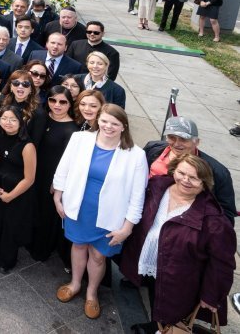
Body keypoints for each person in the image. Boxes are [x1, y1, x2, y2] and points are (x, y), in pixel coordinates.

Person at [120, 154, 236, 333]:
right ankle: (155, 326)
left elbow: (222, 263)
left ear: (204, 183)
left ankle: (159, 328)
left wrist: (212, 296)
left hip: (178, 278)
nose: (185, 180)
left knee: (169, 311)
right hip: (149, 260)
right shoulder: (158, 186)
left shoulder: (214, 221)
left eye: (194, 178)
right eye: (182, 173)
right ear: (174, 170)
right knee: (153, 296)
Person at [53, 104, 148, 320]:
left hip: (110, 216)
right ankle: (75, 284)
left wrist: (127, 227)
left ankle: (91, 293)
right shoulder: (80, 139)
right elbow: (63, 168)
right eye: (104, 121)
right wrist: (58, 196)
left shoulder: (136, 155)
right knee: (78, 246)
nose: (108, 126)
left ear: (124, 127)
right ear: (98, 120)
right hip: (79, 208)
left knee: (97, 255)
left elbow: (137, 196)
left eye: (114, 123)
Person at [144, 116, 236, 223]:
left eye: (183, 139)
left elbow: (226, 214)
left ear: (196, 142)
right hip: (146, 214)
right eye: (172, 137)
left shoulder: (217, 172)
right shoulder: (152, 149)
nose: (177, 144)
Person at [0, 106, 37, 274]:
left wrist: (10, 196)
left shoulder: (28, 146)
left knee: (11, 225)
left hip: (18, 190)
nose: (8, 123)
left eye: (13, 119)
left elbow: (30, 178)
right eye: (4, 118)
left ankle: (7, 259)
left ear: (21, 122)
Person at [29, 86, 79, 264]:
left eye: (63, 102)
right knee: (33, 207)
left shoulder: (72, 130)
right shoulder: (42, 116)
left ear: (70, 103)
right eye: (53, 100)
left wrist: (58, 183)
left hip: (52, 177)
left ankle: (41, 249)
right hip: (34, 171)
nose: (57, 105)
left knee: (47, 214)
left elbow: (69, 162)